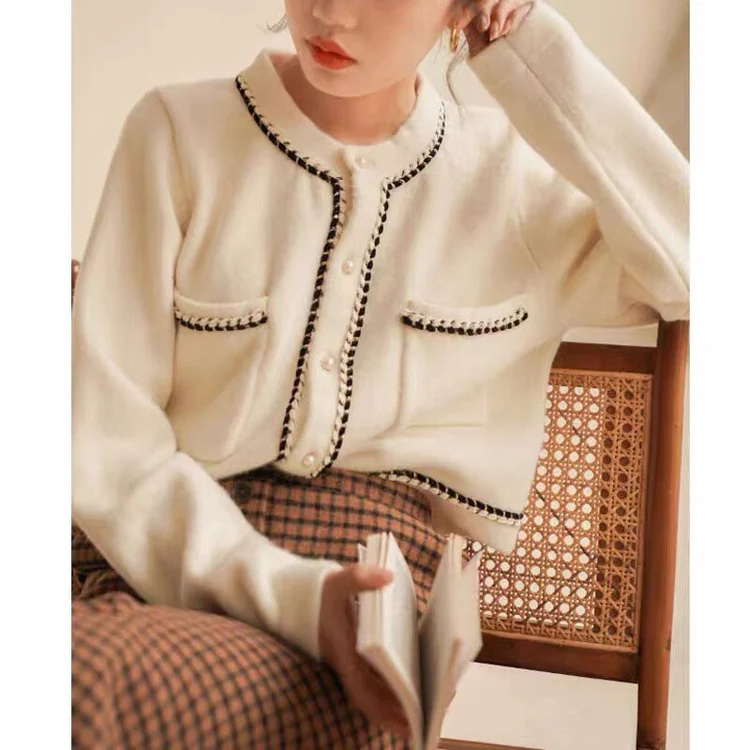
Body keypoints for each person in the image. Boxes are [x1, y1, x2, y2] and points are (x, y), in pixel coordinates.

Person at [71, 0, 689, 747]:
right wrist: (291, 595)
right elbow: (108, 447)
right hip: (143, 572)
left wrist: (529, 48)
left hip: (364, 628)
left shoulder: (507, 185)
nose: (331, 13)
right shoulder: (176, 135)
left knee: (77, 680)